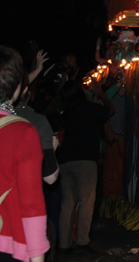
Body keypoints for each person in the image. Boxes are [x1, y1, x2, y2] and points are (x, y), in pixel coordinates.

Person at [0, 46, 50, 262]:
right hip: (7, 242)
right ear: (20, 88)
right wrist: (37, 257)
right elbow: (31, 205)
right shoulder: (23, 132)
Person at [56, 79, 114, 254]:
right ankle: (82, 241)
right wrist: (101, 94)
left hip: (65, 160)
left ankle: (64, 244)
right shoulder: (91, 109)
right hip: (86, 160)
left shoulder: (65, 112)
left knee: (68, 203)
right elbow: (110, 110)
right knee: (86, 201)